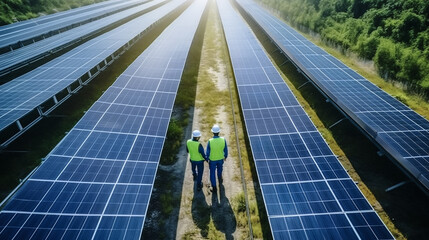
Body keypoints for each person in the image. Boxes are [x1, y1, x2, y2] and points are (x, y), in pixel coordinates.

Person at [206, 124, 228, 193]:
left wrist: (207, 159)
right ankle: (220, 178)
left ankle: (214, 187)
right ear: (219, 132)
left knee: (212, 173)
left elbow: (207, 152)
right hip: (220, 159)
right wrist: (225, 156)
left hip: (212, 160)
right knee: (220, 168)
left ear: (212, 132)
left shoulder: (210, 141)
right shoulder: (223, 140)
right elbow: (226, 150)